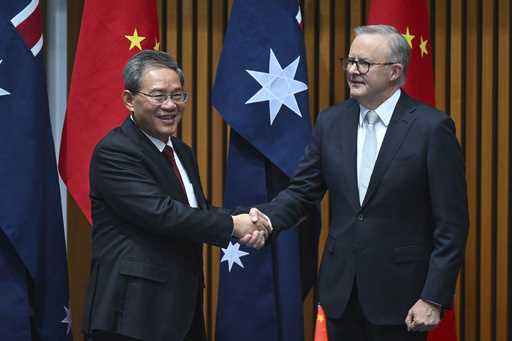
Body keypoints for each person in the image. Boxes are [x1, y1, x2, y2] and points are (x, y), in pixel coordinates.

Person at [250, 25, 468, 341]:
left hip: (402, 298)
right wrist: (267, 220)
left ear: (395, 72)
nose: (353, 70)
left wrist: (433, 297)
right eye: (350, 61)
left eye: (363, 63)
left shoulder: (431, 128)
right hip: (341, 295)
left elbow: (452, 224)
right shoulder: (331, 121)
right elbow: (302, 191)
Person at [81, 50, 270, 341]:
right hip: (132, 315)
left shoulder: (180, 151)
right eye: (158, 96)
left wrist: (251, 218)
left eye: (178, 95)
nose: (170, 105)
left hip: (180, 308)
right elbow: (162, 214)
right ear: (129, 100)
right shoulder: (115, 151)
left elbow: (198, 210)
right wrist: (234, 225)